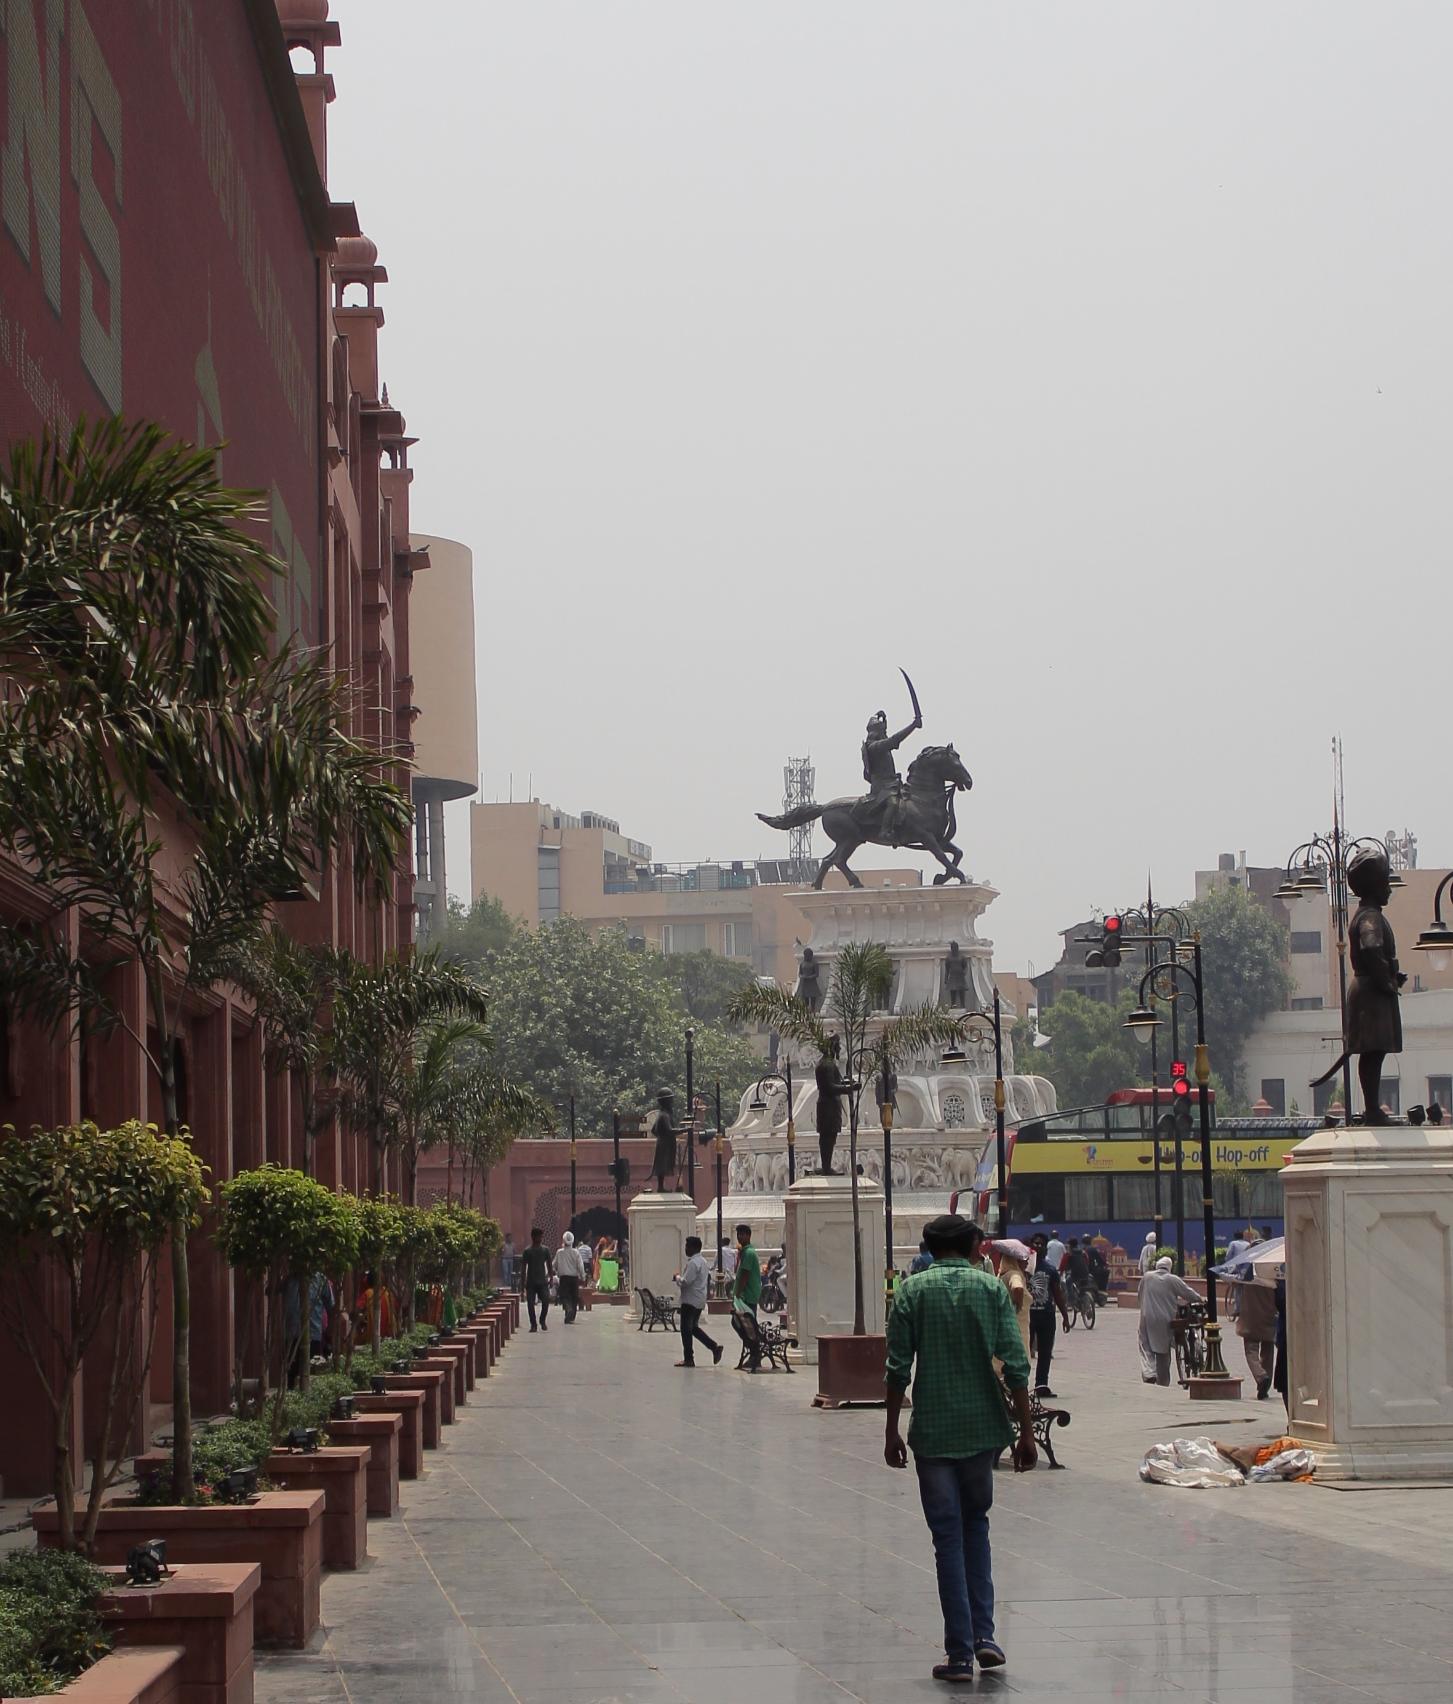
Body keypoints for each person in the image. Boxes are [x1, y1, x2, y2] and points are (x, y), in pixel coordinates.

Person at [885, 1214, 1035, 1684]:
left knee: (946, 1538)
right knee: (976, 1527)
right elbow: (1016, 1364)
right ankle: (984, 1635)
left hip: (932, 1430)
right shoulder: (991, 1289)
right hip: (981, 1429)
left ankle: (959, 1653)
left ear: (930, 1248)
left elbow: (897, 1368)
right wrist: (1026, 1432)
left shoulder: (911, 1291)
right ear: (971, 1246)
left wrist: (890, 1430)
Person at [1137, 1256, 1201, 1385]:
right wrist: (1200, 1299)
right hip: (1166, 1319)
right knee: (1163, 1351)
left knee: (1145, 1346)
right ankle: (1163, 1382)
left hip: (1147, 1317)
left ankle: (1149, 1373)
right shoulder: (1172, 1279)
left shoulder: (1147, 1277)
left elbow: (1140, 1295)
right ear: (1169, 1267)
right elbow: (1189, 1294)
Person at [1027, 1233, 1071, 1397]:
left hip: (1046, 1316)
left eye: (1041, 1244)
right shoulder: (1023, 1267)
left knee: (1045, 1352)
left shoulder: (1050, 1269)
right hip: (1027, 1317)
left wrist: (1065, 1316)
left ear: (1046, 1248)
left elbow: (1057, 1294)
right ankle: (1021, 1386)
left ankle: (1041, 1385)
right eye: (1035, 1243)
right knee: (1024, 1352)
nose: (1038, 1246)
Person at [674, 1236, 724, 1368]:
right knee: (693, 1328)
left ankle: (689, 1358)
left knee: (686, 1330)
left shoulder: (693, 1263)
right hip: (699, 1299)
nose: (686, 1249)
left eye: (687, 1246)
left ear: (694, 1248)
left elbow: (686, 1282)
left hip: (690, 1300)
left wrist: (677, 1277)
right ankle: (714, 1347)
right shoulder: (703, 1261)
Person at [1234, 1276, 1278, 1399]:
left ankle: (1261, 1376)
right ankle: (1265, 1385)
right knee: (1268, 1351)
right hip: (1269, 1314)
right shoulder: (1270, 1275)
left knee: (1250, 1350)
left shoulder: (1248, 1275)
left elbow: (1236, 1287)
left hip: (1250, 1315)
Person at [993, 1240, 1033, 1360]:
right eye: (1023, 1260)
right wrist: (1018, 1305)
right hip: (1018, 1327)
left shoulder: (1002, 1275)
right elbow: (1017, 1288)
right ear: (1014, 1261)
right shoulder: (1014, 1274)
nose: (1026, 1262)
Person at [731, 1223, 763, 1371]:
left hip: (747, 1295)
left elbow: (744, 1275)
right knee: (744, 1325)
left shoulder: (749, 1253)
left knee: (746, 1325)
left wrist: (738, 1293)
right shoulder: (745, 1252)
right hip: (746, 1295)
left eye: (743, 1234)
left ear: (749, 1235)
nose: (740, 1237)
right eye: (738, 1234)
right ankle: (754, 1353)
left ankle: (755, 1353)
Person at [520, 1228, 553, 1331]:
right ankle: (533, 1324)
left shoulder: (545, 1250)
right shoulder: (527, 1251)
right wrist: (522, 1285)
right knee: (530, 1304)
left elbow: (549, 1265)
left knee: (546, 1301)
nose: (540, 1238)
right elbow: (523, 1269)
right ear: (533, 1237)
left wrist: (551, 1278)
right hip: (531, 1282)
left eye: (541, 1236)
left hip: (542, 1281)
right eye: (538, 1236)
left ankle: (542, 1320)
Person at [555, 1230, 584, 1323]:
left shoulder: (559, 1252)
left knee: (565, 1296)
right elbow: (580, 1265)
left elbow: (554, 1265)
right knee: (574, 1297)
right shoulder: (576, 1252)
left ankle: (568, 1309)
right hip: (574, 1278)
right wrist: (583, 1276)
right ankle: (571, 1317)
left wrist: (556, 1271)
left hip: (564, 1278)